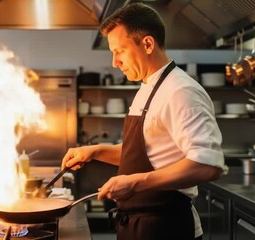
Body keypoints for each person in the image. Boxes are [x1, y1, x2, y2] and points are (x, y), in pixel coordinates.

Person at [61, 2, 227, 240]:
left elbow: (208, 164)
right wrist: (95, 151)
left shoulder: (181, 91)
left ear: (147, 44)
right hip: (138, 225)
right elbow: (148, 153)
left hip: (167, 228)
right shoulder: (148, 87)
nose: (114, 62)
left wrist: (136, 183)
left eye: (119, 50)